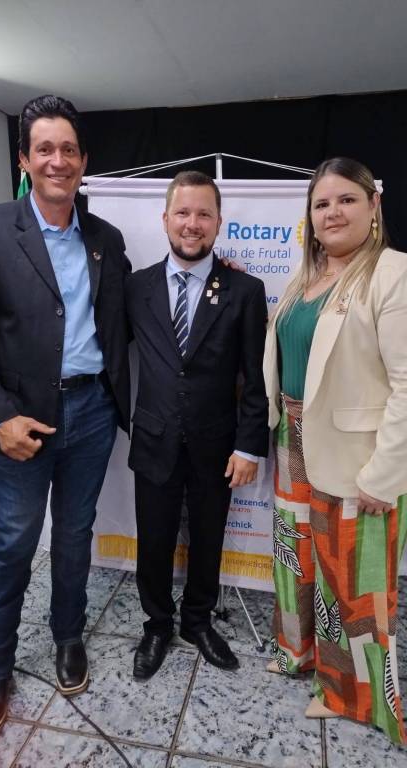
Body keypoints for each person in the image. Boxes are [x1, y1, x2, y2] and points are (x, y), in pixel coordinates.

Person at [0, 95, 131, 738]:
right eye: (45, 149)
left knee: (74, 535)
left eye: (69, 149)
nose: (57, 160)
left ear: (84, 161)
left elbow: (136, 306)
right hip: (22, 421)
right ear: (24, 159)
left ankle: (69, 636)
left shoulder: (105, 239)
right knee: (13, 543)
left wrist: (217, 275)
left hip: (92, 410)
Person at [263, 156, 407, 744]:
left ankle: (355, 696)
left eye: (347, 199)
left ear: (374, 206)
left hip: (355, 458)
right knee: (296, 559)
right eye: (321, 203)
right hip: (292, 440)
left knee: (352, 584)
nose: (333, 212)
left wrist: (384, 474)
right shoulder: (305, 278)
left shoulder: (392, 273)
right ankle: (299, 653)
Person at [126, 171, 269, 680]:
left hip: (217, 443)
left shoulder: (245, 290)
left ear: (218, 222)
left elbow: (256, 377)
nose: (193, 223)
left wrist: (249, 447)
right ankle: (157, 624)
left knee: (208, 539)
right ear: (165, 219)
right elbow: (106, 350)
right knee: (154, 540)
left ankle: (197, 621)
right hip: (154, 438)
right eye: (183, 213)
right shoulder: (135, 288)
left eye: (204, 214)